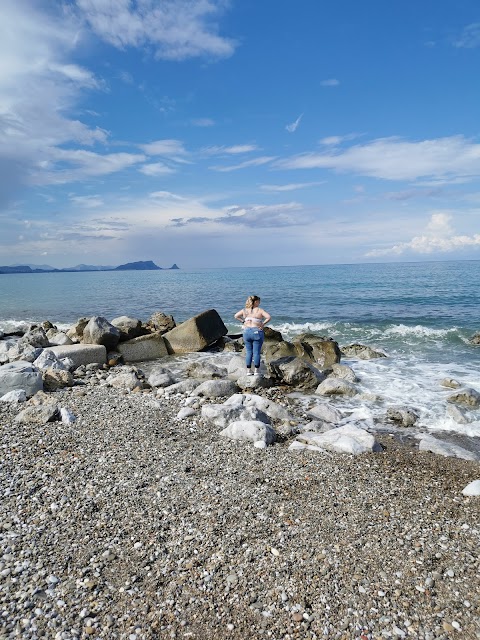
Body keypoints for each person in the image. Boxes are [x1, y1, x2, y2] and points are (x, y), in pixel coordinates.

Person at [234, 295, 271, 376]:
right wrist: (262, 324)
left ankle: (248, 371)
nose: (259, 303)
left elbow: (236, 316)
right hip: (256, 332)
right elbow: (268, 317)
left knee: (249, 352)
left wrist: (243, 321)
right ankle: (257, 371)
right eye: (258, 301)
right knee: (256, 352)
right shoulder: (259, 310)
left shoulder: (244, 310)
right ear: (256, 302)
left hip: (246, 332)